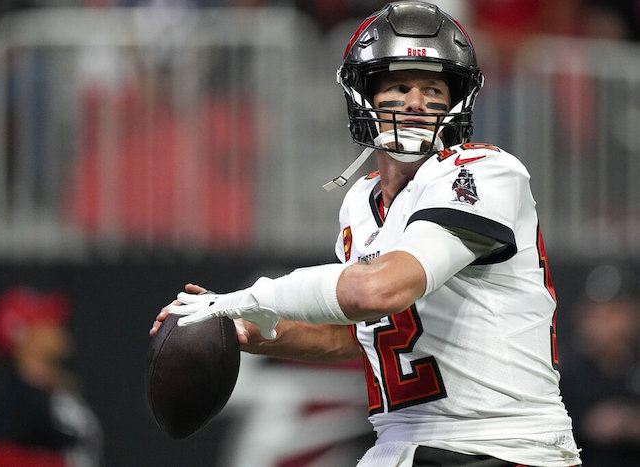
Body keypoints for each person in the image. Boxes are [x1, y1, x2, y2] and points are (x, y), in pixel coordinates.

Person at [150, 1, 582, 465]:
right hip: (405, 445)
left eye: (433, 89)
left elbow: (378, 291)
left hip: (502, 446)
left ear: (457, 101)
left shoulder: (483, 172)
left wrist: (249, 297)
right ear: (365, 97)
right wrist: (243, 329)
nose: (416, 102)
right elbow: (362, 332)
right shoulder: (361, 200)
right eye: (398, 86)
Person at [0, 286, 103, 467]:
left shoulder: (56, 389)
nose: (58, 324)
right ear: (22, 337)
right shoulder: (20, 402)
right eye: (44, 319)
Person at [560, 264, 640, 466]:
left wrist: (628, 423)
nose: (600, 322)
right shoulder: (564, 375)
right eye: (594, 312)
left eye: (612, 312)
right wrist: (586, 424)